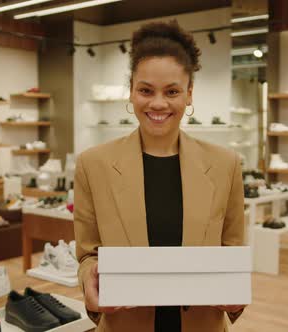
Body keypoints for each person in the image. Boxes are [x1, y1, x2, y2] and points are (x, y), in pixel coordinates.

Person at [74, 20, 247, 332]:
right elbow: (87, 254)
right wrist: (90, 280)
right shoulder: (92, 165)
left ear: (189, 95)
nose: (157, 103)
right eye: (145, 90)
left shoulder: (226, 165)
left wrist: (235, 292)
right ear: (131, 92)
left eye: (172, 91)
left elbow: (232, 250)